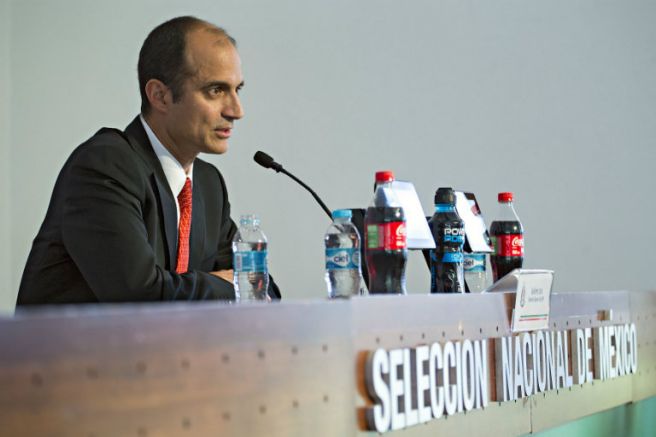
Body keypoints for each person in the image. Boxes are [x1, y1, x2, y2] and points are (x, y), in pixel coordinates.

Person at [16, 16, 280, 304]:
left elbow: (265, 290)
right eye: (215, 90)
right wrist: (228, 285)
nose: (236, 110)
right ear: (160, 96)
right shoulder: (105, 165)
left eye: (237, 90)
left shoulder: (208, 185)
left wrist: (235, 285)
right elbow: (139, 296)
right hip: (73, 349)